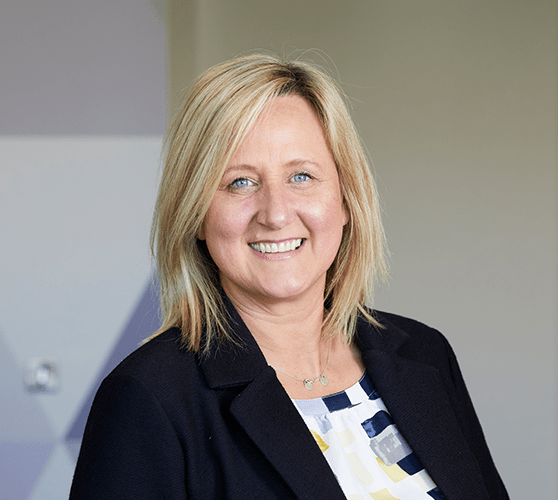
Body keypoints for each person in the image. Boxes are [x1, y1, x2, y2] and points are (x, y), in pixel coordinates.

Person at [69, 53, 508, 499]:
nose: (276, 214)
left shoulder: (424, 355)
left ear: (345, 201)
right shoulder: (149, 399)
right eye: (240, 182)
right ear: (197, 214)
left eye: (301, 176)